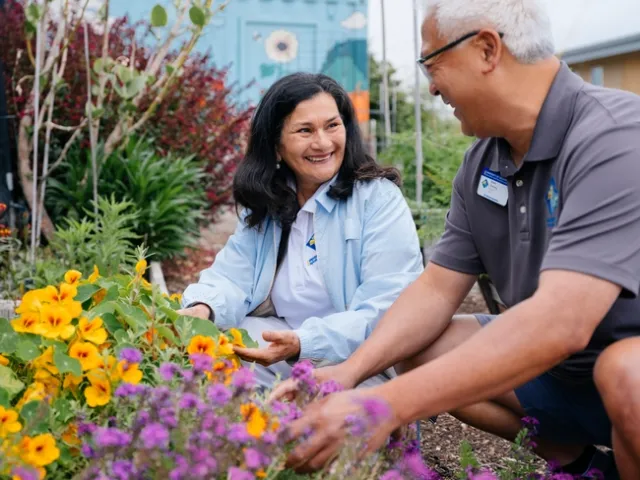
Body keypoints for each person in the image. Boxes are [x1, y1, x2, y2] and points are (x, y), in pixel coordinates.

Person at [271, 1, 640, 478]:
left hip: (622, 372)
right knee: (421, 345)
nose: (431, 85)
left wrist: (383, 406)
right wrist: (351, 371)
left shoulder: (614, 137)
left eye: (433, 63)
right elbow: (437, 287)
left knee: (626, 371)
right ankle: (586, 467)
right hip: (567, 376)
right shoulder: (484, 161)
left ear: (487, 49)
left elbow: (561, 322)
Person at [178, 72, 424, 388]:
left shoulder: (376, 198)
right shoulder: (271, 201)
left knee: (333, 424)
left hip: (361, 362)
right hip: (285, 346)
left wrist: (304, 342)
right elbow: (232, 277)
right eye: (305, 130)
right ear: (276, 146)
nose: (322, 143)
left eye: (332, 126)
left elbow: (386, 305)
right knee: (206, 354)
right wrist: (204, 307)